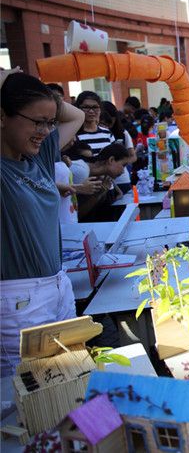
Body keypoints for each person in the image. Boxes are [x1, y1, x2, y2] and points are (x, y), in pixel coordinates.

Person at [1, 69, 85, 376]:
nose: (46, 131)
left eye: (49, 122)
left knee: (69, 384)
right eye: (37, 122)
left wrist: (37, 94)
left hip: (58, 287)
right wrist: (7, 78)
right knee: (29, 398)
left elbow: (74, 116)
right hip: (18, 302)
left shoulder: (35, 156)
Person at [70, 142, 128, 222]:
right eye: (123, 165)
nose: (123, 171)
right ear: (111, 160)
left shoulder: (101, 177)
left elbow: (119, 194)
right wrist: (97, 195)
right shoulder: (82, 171)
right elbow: (76, 214)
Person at [100, 101, 135, 194]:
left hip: (122, 180)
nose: (110, 121)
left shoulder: (122, 133)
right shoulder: (98, 134)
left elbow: (133, 156)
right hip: (103, 182)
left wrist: (121, 163)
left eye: (113, 118)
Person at [75, 91, 115, 157]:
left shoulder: (107, 133)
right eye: (86, 107)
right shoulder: (74, 135)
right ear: (78, 109)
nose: (91, 111)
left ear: (100, 109)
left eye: (95, 107)